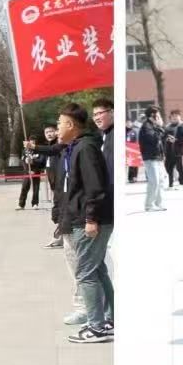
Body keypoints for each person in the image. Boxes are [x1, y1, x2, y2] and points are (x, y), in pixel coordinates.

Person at [56, 101, 113, 344]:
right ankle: (110, 318)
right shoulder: (76, 147)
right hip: (85, 217)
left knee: (86, 273)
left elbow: (95, 187)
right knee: (97, 270)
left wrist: (91, 219)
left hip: (90, 220)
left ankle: (96, 327)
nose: (57, 128)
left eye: (60, 123)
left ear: (71, 125)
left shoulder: (85, 148)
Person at [138, 108, 166, 212]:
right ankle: (149, 205)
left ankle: (159, 203)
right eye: (158, 115)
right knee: (154, 181)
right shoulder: (146, 126)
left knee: (161, 181)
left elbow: (161, 138)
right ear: (152, 116)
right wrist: (159, 127)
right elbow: (154, 139)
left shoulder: (154, 126)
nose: (160, 117)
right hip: (150, 158)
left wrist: (160, 127)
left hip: (158, 157)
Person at [20, 129, 50, 209]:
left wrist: (33, 162)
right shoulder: (25, 150)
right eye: (31, 141)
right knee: (24, 187)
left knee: (36, 188)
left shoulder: (39, 150)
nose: (32, 143)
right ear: (29, 142)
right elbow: (23, 161)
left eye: (34, 142)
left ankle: (35, 203)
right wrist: (28, 169)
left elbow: (41, 161)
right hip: (27, 172)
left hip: (36, 172)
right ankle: (21, 204)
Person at [164, 110, 183, 189]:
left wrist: (176, 140)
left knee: (180, 168)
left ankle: (182, 183)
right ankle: (170, 184)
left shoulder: (182, 126)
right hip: (169, 151)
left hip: (179, 151)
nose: (174, 117)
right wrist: (166, 139)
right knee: (169, 168)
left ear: (179, 117)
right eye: (173, 116)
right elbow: (163, 137)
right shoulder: (168, 127)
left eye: (176, 116)